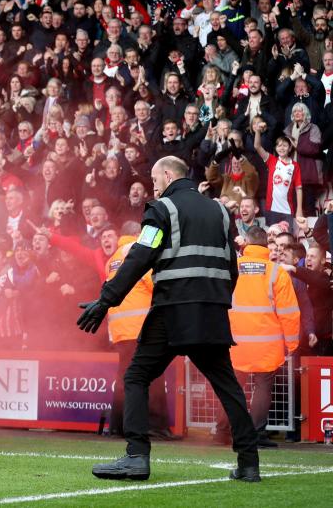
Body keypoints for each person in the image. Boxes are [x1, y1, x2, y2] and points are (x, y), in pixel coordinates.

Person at [78, 156, 259, 482]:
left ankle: (136, 457)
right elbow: (231, 264)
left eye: (154, 178)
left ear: (166, 174)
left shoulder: (163, 210)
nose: (154, 185)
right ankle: (249, 463)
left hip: (172, 312)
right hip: (211, 311)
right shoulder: (220, 211)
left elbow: (140, 255)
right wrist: (218, 301)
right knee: (227, 386)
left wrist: (106, 300)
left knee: (135, 377)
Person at [217, 226, 299, 448]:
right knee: (262, 386)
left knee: (232, 386)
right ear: (266, 245)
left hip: (234, 341)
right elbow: (289, 313)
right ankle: (256, 434)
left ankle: (222, 431)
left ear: (245, 243)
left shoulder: (232, 268)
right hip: (266, 343)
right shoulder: (276, 272)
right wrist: (292, 343)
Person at [104, 223, 171, 439]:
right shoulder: (138, 251)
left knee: (125, 375)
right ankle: (156, 425)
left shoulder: (112, 259)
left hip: (120, 327)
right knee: (152, 375)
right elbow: (156, 285)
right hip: (140, 326)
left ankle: (117, 425)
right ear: (137, 235)